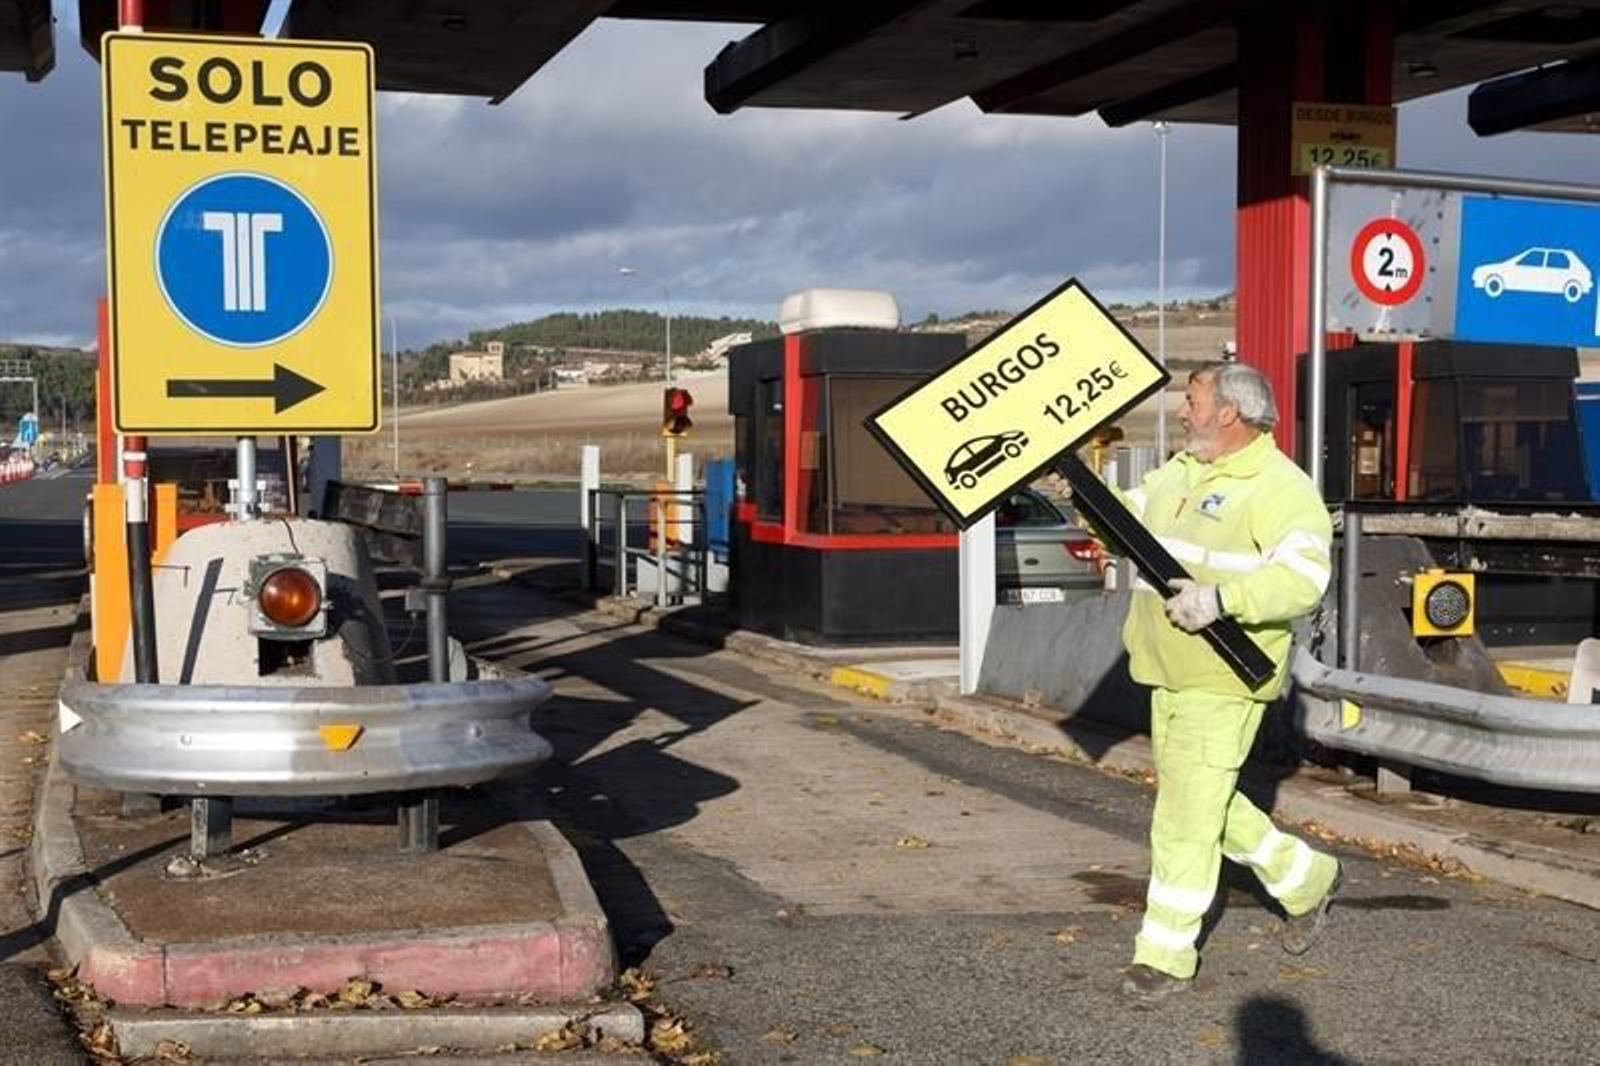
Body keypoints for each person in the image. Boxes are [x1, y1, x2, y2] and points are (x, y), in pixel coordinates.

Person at [1117, 360, 1342, 1000]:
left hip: (1223, 676)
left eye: (1191, 401)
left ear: (1228, 413)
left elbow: (1303, 579)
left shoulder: (1280, 488)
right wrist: (1083, 499)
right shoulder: (1182, 471)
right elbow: (1124, 519)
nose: (1182, 412)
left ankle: (1164, 954)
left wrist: (1222, 600)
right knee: (1203, 801)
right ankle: (1306, 879)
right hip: (1165, 670)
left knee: (1184, 818)